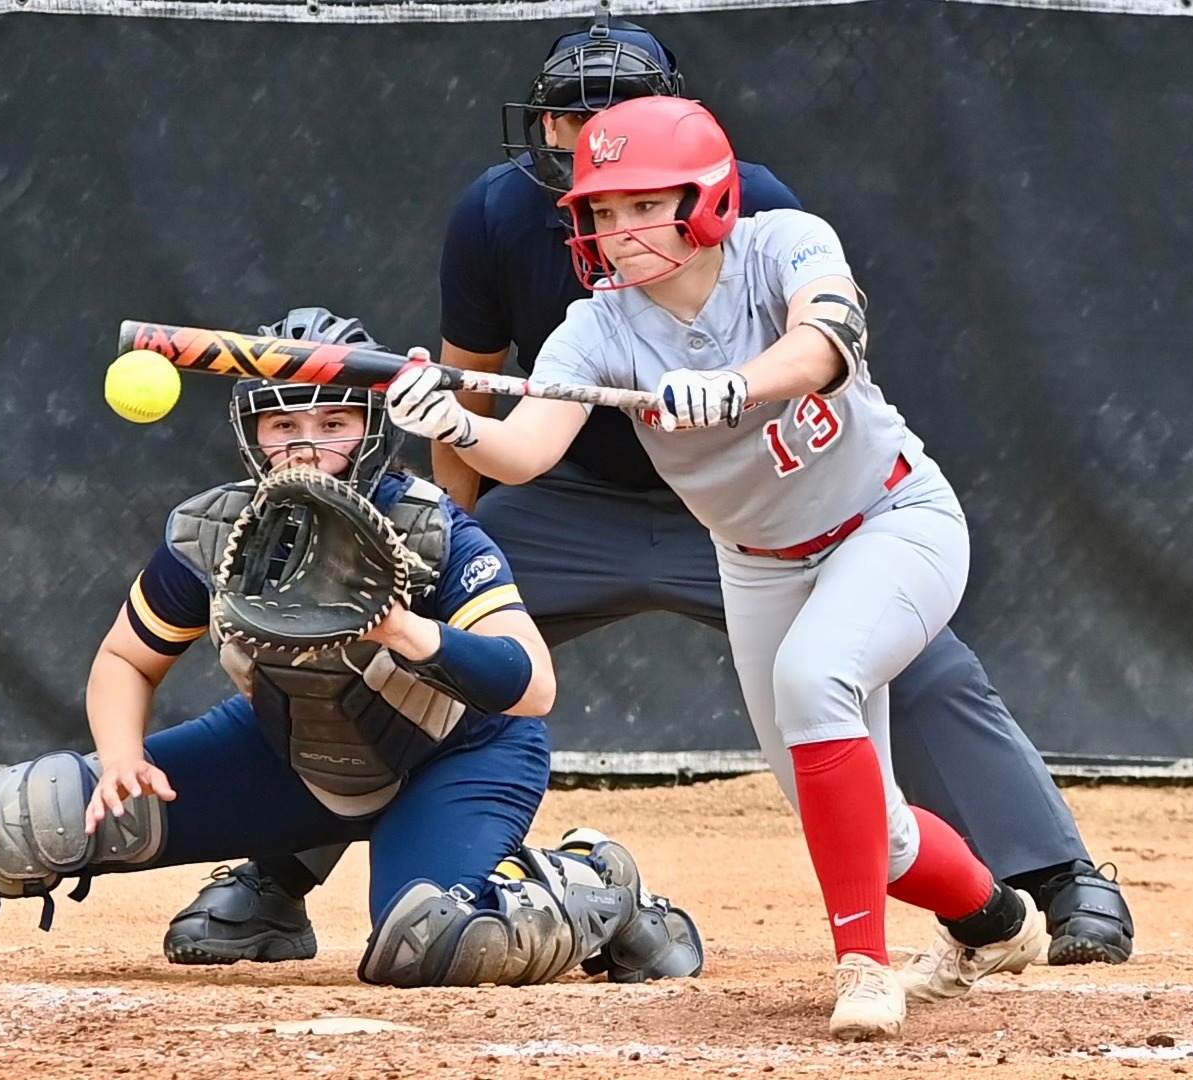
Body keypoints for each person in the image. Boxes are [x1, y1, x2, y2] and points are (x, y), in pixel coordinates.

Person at [164, 17, 1132, 973]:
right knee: (403, 636)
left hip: (776, 495)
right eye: (570, 120)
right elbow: (485, 387)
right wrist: (449, 471)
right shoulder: (507, 220)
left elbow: (824, 337)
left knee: (905, 666)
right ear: (541, 130)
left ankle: (1052, 876)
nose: (603, 166)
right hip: (577, 502)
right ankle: (276, 877)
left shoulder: (762, 213)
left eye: (623, 125)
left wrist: (741, 384)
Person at [0, 306, 704, 991]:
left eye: (332, 421)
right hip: (294, 758)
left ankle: (595, 884)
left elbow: (532, 686)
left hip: (460, 756)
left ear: (368, 430)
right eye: (283, 424)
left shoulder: (429, 526)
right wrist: (121, 756)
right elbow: (128, 660)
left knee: (428, 946)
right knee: (24, 814)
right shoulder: (216, 533)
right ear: (252, 432)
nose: (305, 445)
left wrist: (405, 628)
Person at [387, 96, 1041, 1040]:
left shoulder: (787, 244)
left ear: (709, 199)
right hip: (760, 565)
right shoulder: (598, 329)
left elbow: (828, 341)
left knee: (816, 681)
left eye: (642, 206)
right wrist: (456, 425)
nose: (619, 233)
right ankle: (997, 923)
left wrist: (743, 379)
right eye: (602, 215)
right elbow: (525, 452)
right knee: (870, 828)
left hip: (892, 520)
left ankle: (864, 965)